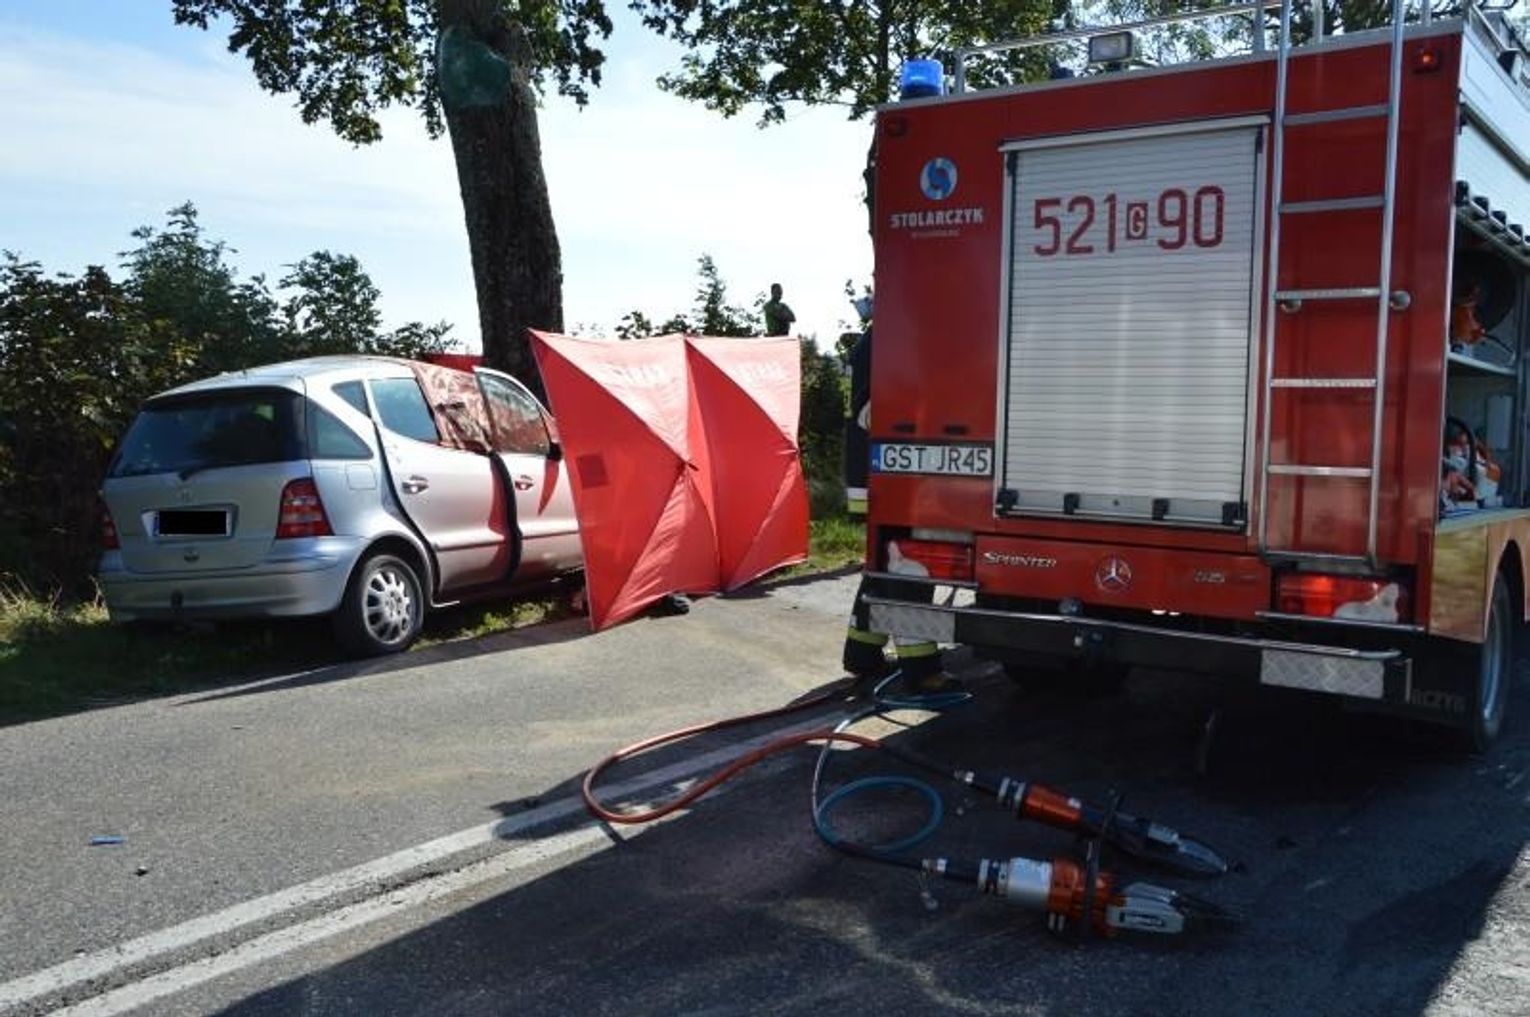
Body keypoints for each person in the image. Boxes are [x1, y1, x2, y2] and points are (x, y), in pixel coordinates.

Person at [837, 296, 957, 694]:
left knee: (883, 567)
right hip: (895, 478)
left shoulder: (870, 342)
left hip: (874, 476)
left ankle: (862, 652)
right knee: (912, 571)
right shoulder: (892, 342)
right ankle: (922, 670)